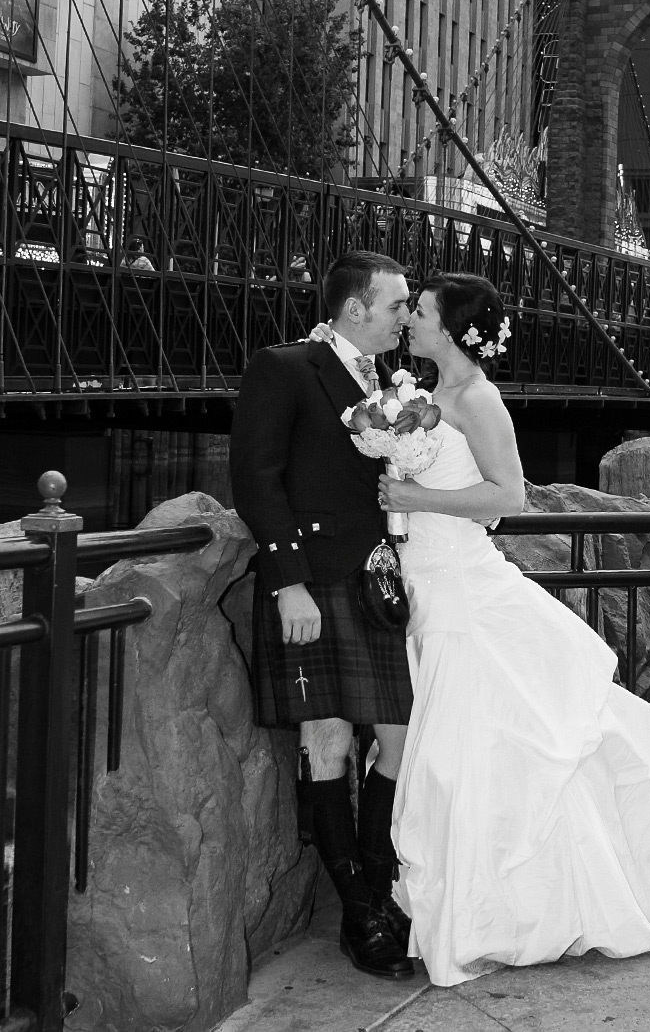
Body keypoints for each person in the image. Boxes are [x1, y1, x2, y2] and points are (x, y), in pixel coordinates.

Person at [379, 272, 650, 988]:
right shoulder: (425, 399)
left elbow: (507, 497)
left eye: (420, 312)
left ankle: (513, 909)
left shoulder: (478, 400)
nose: (411, 320)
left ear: (450, 328)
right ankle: (474, 901)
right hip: (427, 584)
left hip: (462, 590)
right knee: (462, 752)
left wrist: (408, 494)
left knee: (480, 751)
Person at [230, 250, 416, 980]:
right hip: (316, 582)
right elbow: (255, 476)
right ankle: (360, 913)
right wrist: (287, 584)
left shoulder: (397, 383)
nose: (406, 317)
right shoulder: (286, 367)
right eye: (397, 305)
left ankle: (379, 885)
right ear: (354, 308)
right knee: (328, 740)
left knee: (398, 737)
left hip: (379, 583)